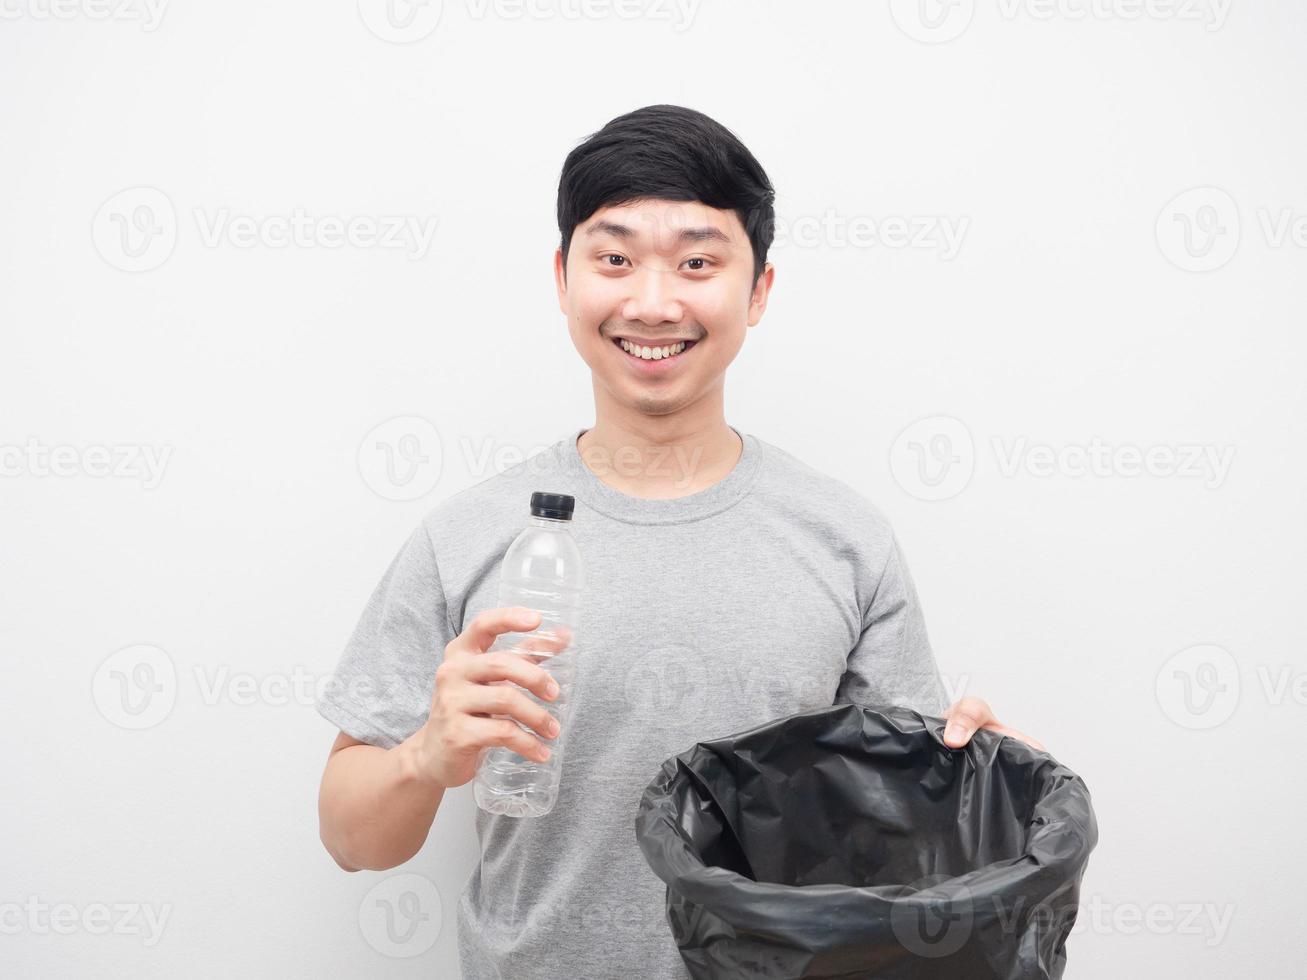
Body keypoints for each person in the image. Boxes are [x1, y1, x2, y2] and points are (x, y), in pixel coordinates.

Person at [315, 103, 1046, 979]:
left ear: (759, 289)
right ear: (562, 278)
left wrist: (982, 789)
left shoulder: (846, 540)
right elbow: (351, 841)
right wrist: (425, 757)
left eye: (697, 262)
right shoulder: (469, 535)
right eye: (614, 259)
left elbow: (907, 843)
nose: (653, 302)